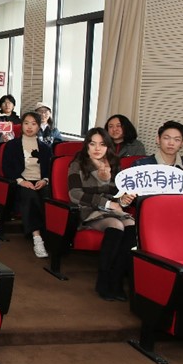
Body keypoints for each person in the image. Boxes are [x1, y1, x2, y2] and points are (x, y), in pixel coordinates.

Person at [68, 129, 136, 301]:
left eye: (102, 144)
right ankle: (103, 279)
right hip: (87, 209)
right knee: (116, 225)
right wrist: (107, 203)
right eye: (93, 144)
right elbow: (74, 194)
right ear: (87, 145)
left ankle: (117, 279)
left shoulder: (114, 163)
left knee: (131, 225)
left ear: (108, 146)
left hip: (112, 209)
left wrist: (123, 200)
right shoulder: (78, 163)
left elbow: (118, 193)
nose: (97, 148)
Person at [2, 112, 52, 258]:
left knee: (49, 197)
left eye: (33, 124)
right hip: (21, 181)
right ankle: (37, 237)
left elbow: (50, 169)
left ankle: (51, 236)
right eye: (26, 123)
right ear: (21, 125)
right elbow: (7, 168)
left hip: (41, 182)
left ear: (39, 126)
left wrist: (45, 180)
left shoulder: (45, 147)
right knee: (30, 196)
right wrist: (21, 181)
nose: (29, 127)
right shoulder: (12, 145)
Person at [133, 121, 183, 198]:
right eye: (166, 138)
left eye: (177, 140)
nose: (171, 143)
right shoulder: (141, 165)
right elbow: (130, 195)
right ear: (158, 140)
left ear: (182, 143)